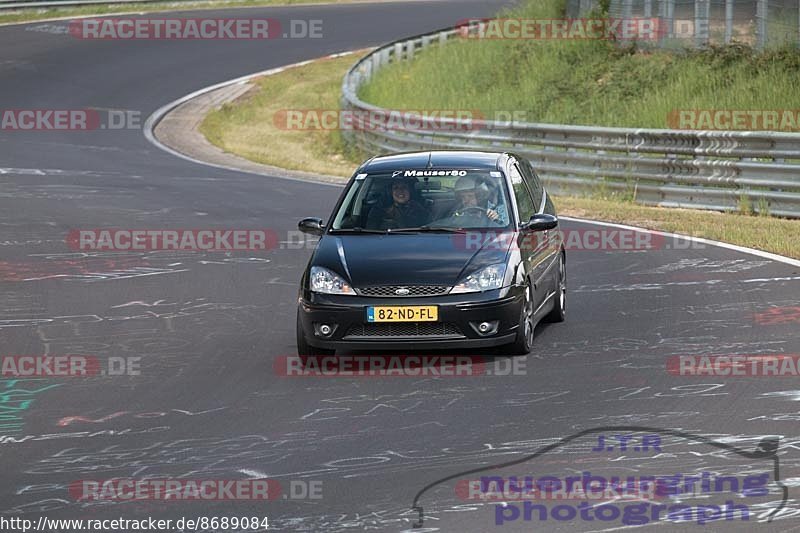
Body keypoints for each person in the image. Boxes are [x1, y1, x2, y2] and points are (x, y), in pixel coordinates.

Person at [366, 178, 430, 230]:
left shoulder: (421, 209)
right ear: (390, 192)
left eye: (404, 187)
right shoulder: (379, 211)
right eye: (395, 188)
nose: (400, 191)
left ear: (411, 191)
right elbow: (370, 231)